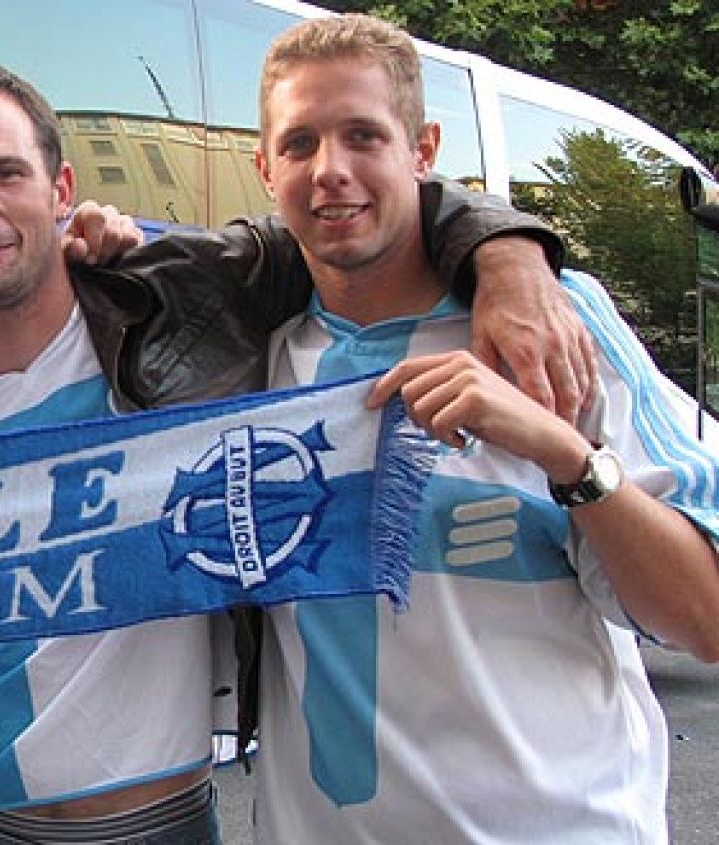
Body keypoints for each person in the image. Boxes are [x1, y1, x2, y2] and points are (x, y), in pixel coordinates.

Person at [0, 60, 577, 844]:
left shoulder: (179, 300)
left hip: (151, 826)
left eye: (7, 173)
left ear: (61, 189)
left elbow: (358, 207)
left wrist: (508, 254)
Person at [252, 14, 719, 842]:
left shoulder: (560, 328)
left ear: (423, 149)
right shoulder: (253, 352)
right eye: (299, 144)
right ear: (264, 168)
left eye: (363, 135)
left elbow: (705, 618)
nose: (330, 170)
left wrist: (565, 453)